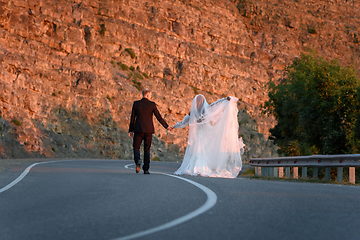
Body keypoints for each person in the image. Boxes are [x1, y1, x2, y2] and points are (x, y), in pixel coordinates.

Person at [172, 94, 245, 178]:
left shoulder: (196, 112)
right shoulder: (204, 111)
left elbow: (183, 122)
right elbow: (215, 104)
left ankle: (195, 167)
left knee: (198, 151)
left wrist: (174, 126)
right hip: (202, 135)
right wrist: (225, 99)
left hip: (199, 135)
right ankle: (200, 167)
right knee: (201, 151)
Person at [128, 88, 173, 174]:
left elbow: (132, 118)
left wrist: (131, 130)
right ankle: (146, 169)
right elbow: (158, 117)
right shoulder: (152, 104)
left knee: (136, 147)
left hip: (138, 129)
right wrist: (166, 126)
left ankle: (137, 161)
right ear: (148, 95)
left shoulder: (136, 104)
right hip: (148, 130)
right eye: (150, 95)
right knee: (147, 149)